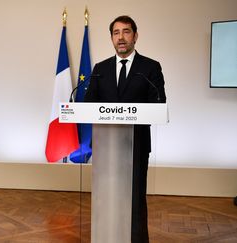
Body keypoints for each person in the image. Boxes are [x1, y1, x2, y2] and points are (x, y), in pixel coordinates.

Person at [84, 15, 166, 243]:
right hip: (105, 146)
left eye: (126, 32)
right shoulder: (100, 69)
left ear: (135, 36)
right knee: (106, 197)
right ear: (111, 38)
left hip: (136, 145)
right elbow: (89, 104)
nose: (121, 37)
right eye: (116, 32)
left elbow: (159, 104)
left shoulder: (150, 67)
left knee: (134, 198)